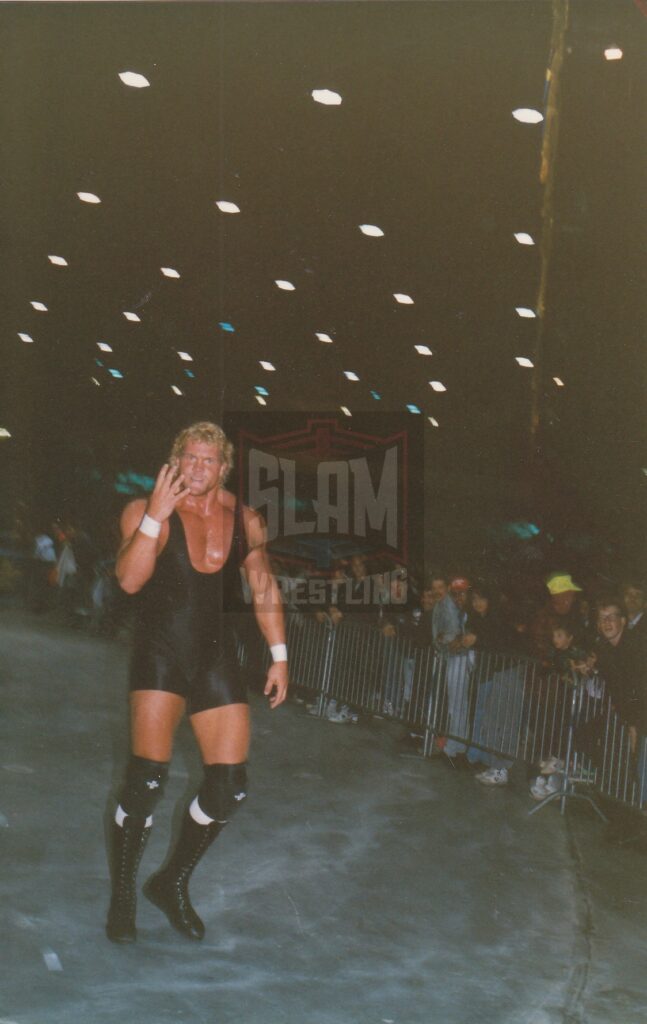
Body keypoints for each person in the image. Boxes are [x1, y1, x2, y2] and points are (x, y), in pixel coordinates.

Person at [106, 422, 289, 944]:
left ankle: (171, 882)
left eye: (209, 461)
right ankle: (123, 895)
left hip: (214, 659)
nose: (198, 468)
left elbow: (263, 584)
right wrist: (154, 521)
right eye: (190, 457)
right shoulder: (145, 510)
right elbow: (129, 580)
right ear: (176, 458)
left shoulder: (245, 521)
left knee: (230, 786)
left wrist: (279, 655)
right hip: (160, 657)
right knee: (145, 782)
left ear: (224, 467)